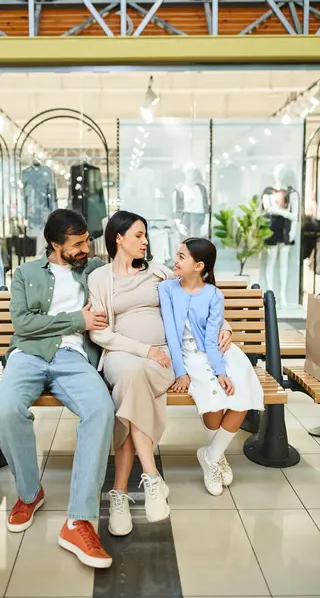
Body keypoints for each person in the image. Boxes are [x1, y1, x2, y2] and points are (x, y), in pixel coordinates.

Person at [87, 212, 232, 537]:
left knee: (130, 392)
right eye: (138, 235)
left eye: (146, 235)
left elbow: (198, 296)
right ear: (118, 238)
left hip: (166, 356)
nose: (145, 241)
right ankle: (151, 476)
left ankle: (120, 493)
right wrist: (144, 350)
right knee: (131, 376)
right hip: (122, 354)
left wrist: (226, 326)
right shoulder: (99, 278)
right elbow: (99, 333)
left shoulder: (158, 273)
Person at [0, 209, 115, 569]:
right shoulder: (26, 274)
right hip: (28, 354)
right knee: (6, 410)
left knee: (101, 410)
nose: (84, 249)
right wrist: (78, 319)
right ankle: (30, 493)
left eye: (86, 241)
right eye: (76, 244)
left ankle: (79, 519)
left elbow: (129, 274)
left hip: (73, 356)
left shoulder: (93, 271)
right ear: (54, 244)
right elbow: (23, 325)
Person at [159, 237, 264, 497]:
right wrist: (180, 371)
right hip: (187, 356)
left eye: (182, 256)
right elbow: (172, 334)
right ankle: (215, 457)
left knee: (239, 395)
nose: (176, 260)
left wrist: (221, 371)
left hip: (220, 353)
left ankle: (212, 455)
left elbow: (210, 337)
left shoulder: (214, 294)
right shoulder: (167, 288)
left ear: (198, 266)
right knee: (213, 401)